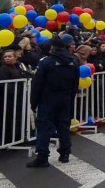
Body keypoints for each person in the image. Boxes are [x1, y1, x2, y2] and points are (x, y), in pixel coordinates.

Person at [27, 34, 80, 167]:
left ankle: (43, 157)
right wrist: (70, 98)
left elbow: (37, 83)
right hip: (65, 98)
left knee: (44, 127)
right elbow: (75, 83)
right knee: (63, 125)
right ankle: (65, 153)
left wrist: (33, 102)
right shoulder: (73, 62)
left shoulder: (46, 62)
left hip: (48, 99)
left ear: (53, 48)